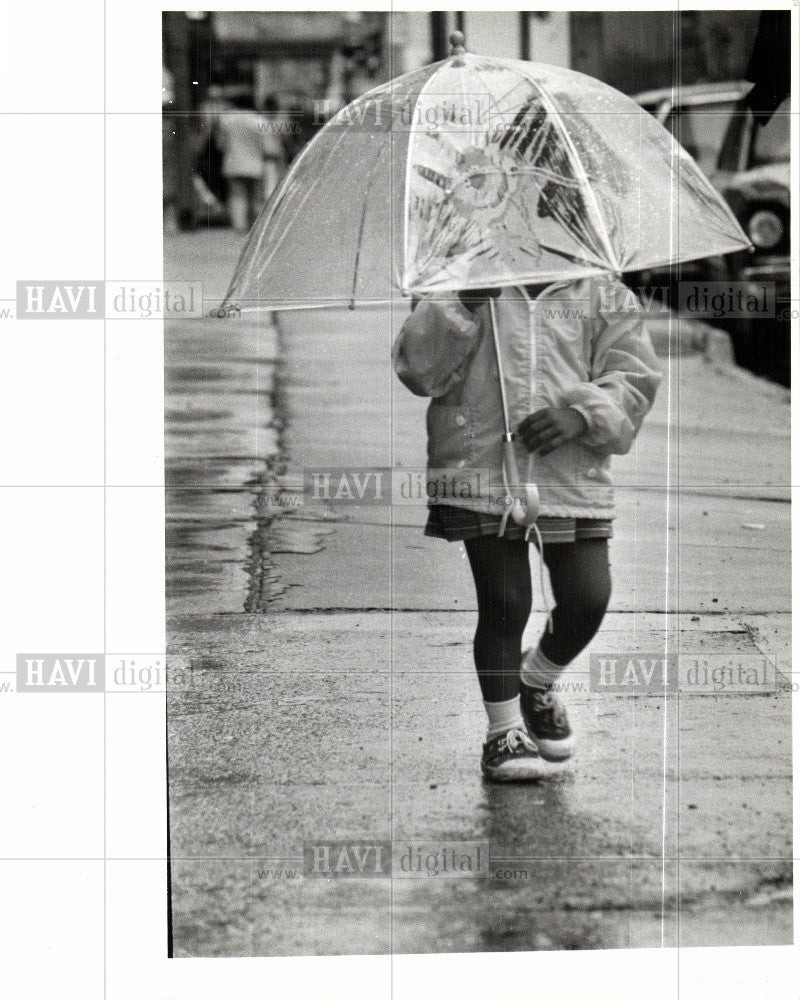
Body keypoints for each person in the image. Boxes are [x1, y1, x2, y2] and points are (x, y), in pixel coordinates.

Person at [393, 280, 661, 781]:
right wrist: (462, 305)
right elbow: (419, 370)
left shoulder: (602, 293)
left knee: (588, 596)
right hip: (480, 471)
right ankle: (503, 731)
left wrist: (582, 416)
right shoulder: (461, 284)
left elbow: (634, 376)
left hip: (571, 476)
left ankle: (535, 679)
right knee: (505, 602)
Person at [215, 93, 271, 232]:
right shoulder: (259, 120)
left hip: (233, 162)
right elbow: (267, 146)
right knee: (256, 197)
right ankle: (256, 225)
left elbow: (220, 144)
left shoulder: (226, 120)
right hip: (255, 163)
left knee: (237, 195)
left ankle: (239, 225)